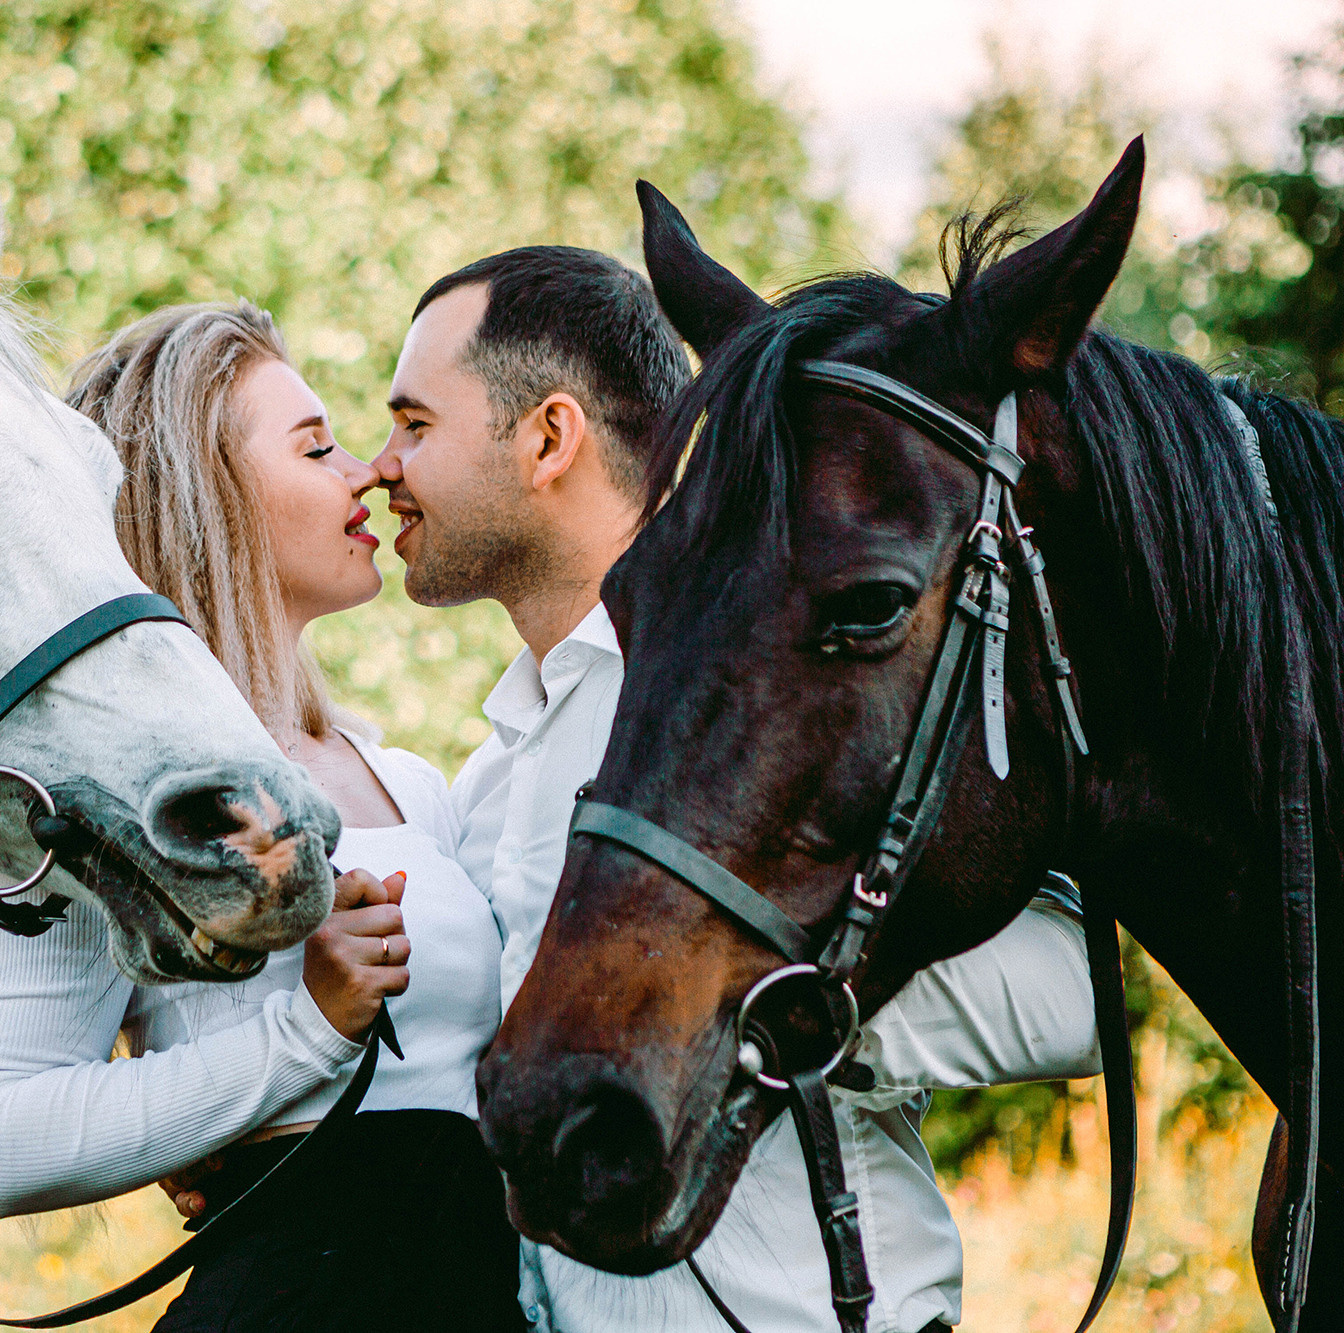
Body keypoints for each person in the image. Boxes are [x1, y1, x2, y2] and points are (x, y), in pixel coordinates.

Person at [371, 246, 1101, 1333]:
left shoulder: (787, 700)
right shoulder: (489, 772)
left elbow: (1071, 996)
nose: (378, 464)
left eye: (414, 424)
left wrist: (735, 1006)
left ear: (547, 438)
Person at [0, 301, 527, 1333]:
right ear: (205, 494)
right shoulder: (110, 801)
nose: (365, 472)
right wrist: (301, 1037)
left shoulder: (413, 783)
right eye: (315, 446)